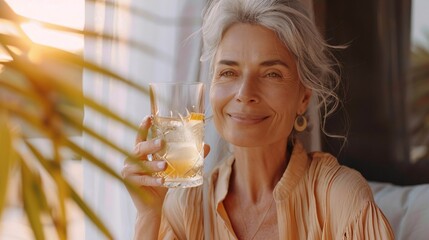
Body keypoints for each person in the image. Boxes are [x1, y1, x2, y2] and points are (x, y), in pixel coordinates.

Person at [121, 0, 395, 239]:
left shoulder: (339, 198)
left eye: (271, 74)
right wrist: (147, 214)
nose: (244, 93)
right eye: (228, 72)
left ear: (304, 97)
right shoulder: (184, 206)